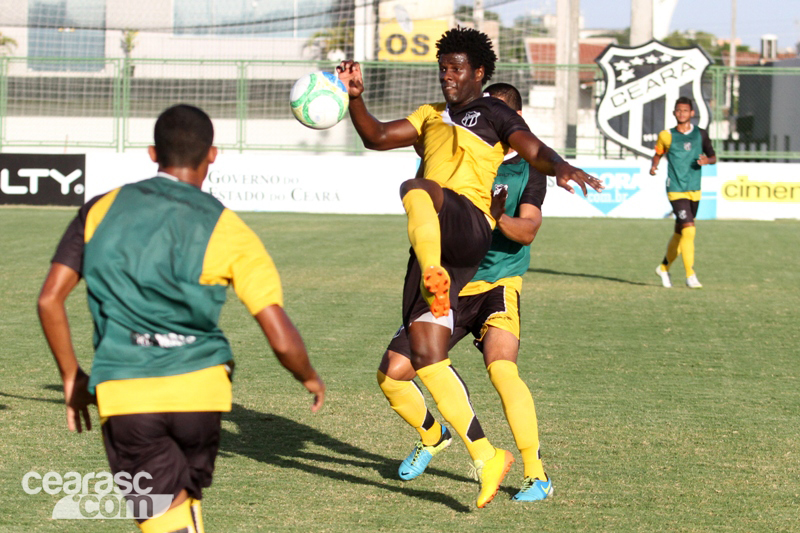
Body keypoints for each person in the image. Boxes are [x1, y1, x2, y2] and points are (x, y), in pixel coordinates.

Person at [337, 27, 602, 507]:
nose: (447, 77)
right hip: (447, 268)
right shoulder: (430, 117)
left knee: (417, 190)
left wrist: (560, 165)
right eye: (442, 69)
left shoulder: (497, 121)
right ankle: (474, 452)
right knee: (410, 362)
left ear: (479, 73)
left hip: (479, 251)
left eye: (456, 68)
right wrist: (357, 97)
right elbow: (375, 135)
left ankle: (536, 470)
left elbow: (534, 151)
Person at [37, 104, 325, 533]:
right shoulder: (228, 227)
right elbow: (280, 336)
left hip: (127, 392)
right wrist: (308, 376)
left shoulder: (101, 209)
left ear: (153, 153)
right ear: (213, 155)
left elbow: (49, 299)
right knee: (182, 504)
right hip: (202, 394)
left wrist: (70, 377)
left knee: (162, 515)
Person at [379, 82, 552, 502]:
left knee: (502, 369)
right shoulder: (458, 145)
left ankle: (536, 473)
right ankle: (432, 435)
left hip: (496, 284)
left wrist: (494, 217)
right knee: (392, 375)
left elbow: (527, 231)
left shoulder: (527, 169)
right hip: (451, 287)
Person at [650, 96, 717, 289]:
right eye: (678, 110)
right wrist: (654, 166)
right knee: (689, 229)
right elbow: (658, 153)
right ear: (674, 113)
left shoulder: (701, 135)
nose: (682, 113)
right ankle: (690, 275)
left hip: (694, 189)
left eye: (685, 111)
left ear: (692, 113)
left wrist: (707, 161)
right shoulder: (666, 135)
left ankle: (663, 267)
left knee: (681, 233)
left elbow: (713, 156)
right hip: (675, 188)